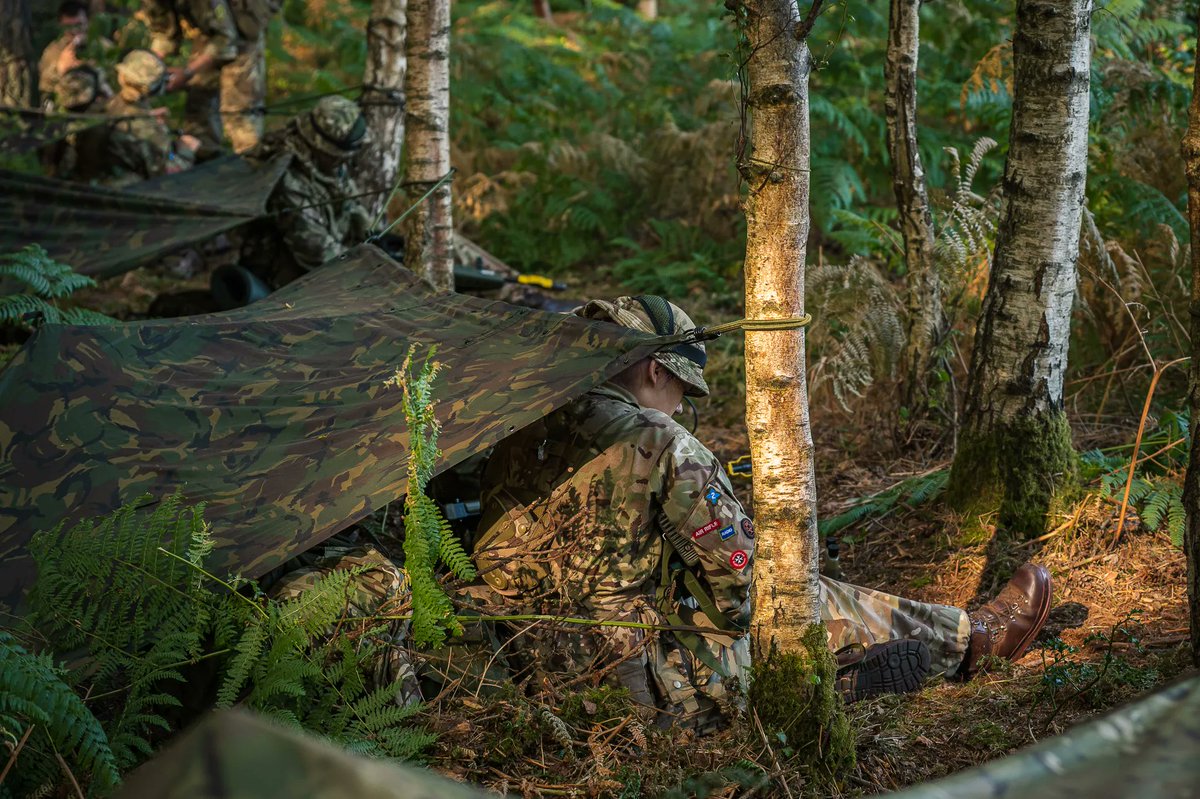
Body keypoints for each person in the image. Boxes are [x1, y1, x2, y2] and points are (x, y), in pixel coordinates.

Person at [472, 295, 1054, 729]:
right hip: (645, 686)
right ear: (656, 370)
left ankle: (848, 668)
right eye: (684, 392)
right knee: (798, 589)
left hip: (532, 667)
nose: (679, 406)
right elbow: (742, 584)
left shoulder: (520, 430)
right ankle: (963, 642)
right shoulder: (656, 439)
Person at [238, 96, 373, 288]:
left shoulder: (325, 162)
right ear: (323, 148)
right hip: (285, 279)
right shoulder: (286, 176)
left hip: (328, 259)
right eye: (339, 157)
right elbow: (315, 248)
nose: (344, 161)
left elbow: (347, 196)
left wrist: (368, 229)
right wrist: (364, 271)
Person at [138, 0, 275, 154]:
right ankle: (204, 157)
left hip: (241, 39)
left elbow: (226, 38)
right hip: (208, 33)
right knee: (199, 105)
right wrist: (149, 70)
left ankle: (250, 161)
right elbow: (163, 32)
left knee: (240, 114)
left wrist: (188, 73)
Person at [77, 49, 198, 186]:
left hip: (85, 183)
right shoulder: (148, 130)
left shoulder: (102, 106)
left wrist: (146, 117)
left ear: (121, 77)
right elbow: (168, 172)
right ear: (156, 88)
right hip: (120, 193)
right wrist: (185, 149)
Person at [38, 1, 110, 109]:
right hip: (65, 108)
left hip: (99, 109)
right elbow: (44, 88)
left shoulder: (103, 47)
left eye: (79, 25)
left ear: (88, 22)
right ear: (61, 26)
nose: (74, 30)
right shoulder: (53, 51)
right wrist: (59, 68)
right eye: (68, 27)